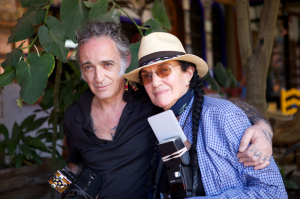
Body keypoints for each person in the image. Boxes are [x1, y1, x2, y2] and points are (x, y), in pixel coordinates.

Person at [64, 21, 274, 199]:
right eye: (88, 67)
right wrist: (66, 191)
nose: (98, 77)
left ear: (125, 61)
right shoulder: (74, 116)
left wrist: (262, 127)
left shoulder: (150, 101)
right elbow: (71, 167)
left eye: (107, 64)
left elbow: (216, 107)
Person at [123, 32, 287, 198]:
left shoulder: (222, 116)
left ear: (188, 73)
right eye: (147, 76)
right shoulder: (151, 117)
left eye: (164, 70)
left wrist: (262, 125)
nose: (155, 82)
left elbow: (274, 192)